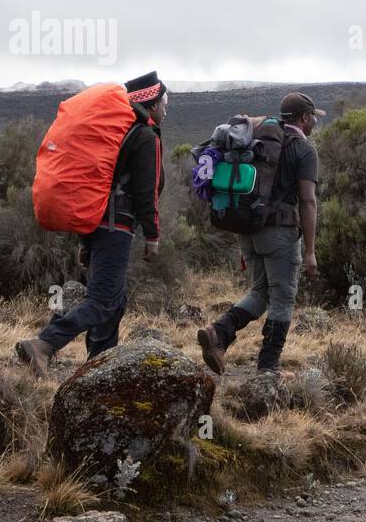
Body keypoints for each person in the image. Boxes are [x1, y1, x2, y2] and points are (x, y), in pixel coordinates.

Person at [16, 71, 168, 376]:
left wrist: (85, 242)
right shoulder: (145, 137)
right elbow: (146, 191)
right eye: (164, 102)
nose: (166, 109)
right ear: (151, 104)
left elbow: (99, 184)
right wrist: (152, 234)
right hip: (117, 226)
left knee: (114, 299)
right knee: (102, 301)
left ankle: (99, 366)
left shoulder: (120, 135)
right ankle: (44, 344)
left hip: (97, 224)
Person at [197, 91, 322, 376]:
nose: (314, 122)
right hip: (280, 234)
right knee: (283, 298)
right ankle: (268, 366)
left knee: (260, 292)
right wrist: (311, 251)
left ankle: (218, 333)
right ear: (304, 118)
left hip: (249, 229)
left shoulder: (258, 143)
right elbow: (308, 201)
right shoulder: (304, 151)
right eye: (313, 117)